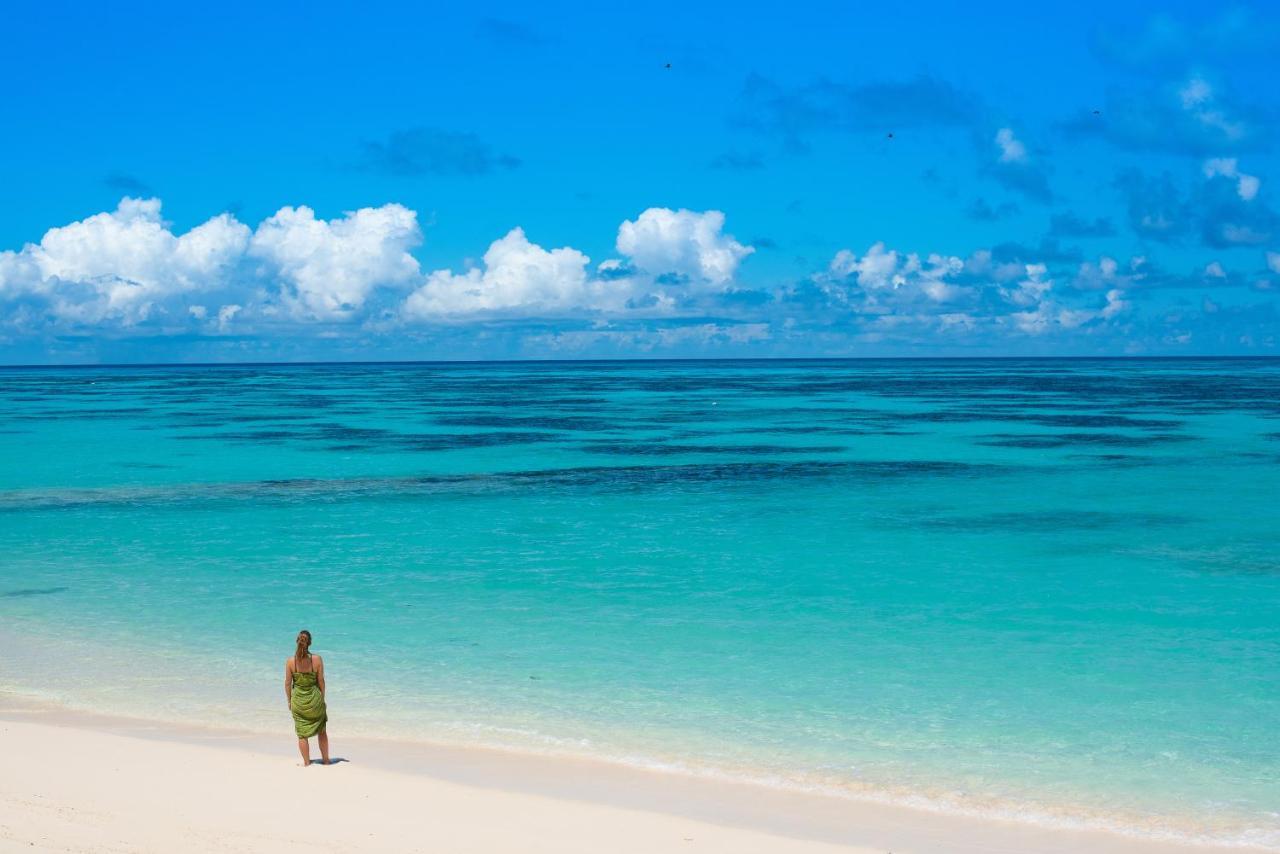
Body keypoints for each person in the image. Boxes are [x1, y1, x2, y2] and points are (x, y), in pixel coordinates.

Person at [285, 629, 329, 766]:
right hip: (315, 701)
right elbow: (321, 681)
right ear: (309, 643)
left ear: (297, 641)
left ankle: (306, 763)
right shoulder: (317, 660)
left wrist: (289, 701)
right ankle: (326, 761)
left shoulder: (290, 662)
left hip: (298, 702)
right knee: (322, 731)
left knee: (302, 734)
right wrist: (322, 698)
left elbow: (287, 683)